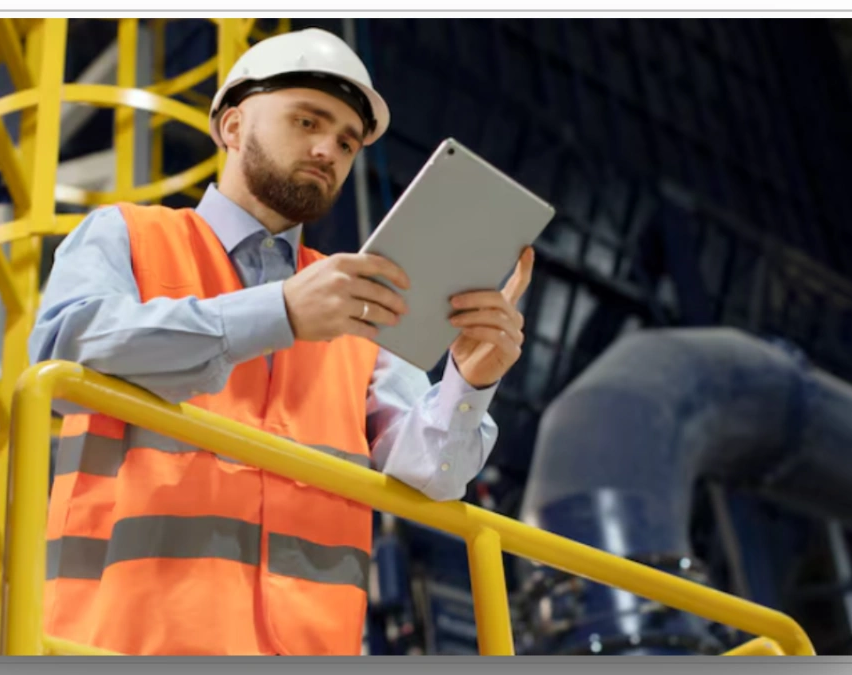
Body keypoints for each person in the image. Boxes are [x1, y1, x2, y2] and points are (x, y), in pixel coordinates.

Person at [27, 27, 535, 657]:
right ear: (233, 126)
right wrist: (280, 312)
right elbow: (62, 347)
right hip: (129, 641)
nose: (329, 149)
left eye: (348, 141)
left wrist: (470, 380)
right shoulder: (127, 235)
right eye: (306, 121)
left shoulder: (357, 303)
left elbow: (431, 474)